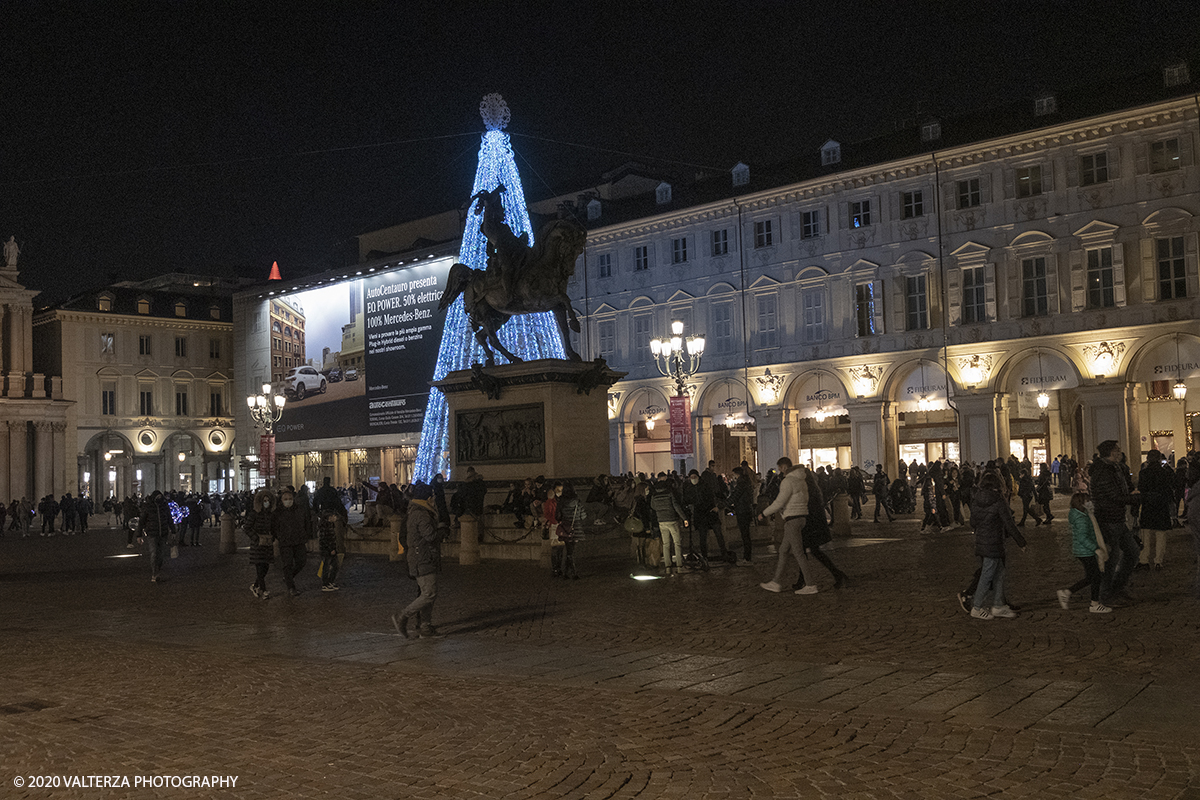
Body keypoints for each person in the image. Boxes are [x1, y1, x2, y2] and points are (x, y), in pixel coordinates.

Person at [969, 471, 1026, 619]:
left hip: (982, 541)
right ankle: (977, 607)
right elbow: (1009, 523)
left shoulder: (976, 500)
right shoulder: (999, 500)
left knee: (999, 572)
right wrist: (1021, 542)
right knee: (987, 574)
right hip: (993, 542)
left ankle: (998, 605)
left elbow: (972, 523)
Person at [392, 483, 447, 638]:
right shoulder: (421, 513)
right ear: (427, 497)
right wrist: (441, 530)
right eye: (432, 496)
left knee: (428, 593)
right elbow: (430, 535)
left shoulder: (417, 510)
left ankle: (425, 626)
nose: (434, 499)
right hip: (422, 557)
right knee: (429, 593)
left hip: (424, 556)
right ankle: (402, 616)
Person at [1089, 440, 1140, 606]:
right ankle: (1105, 594)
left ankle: (1117, 587)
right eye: (1117, 450)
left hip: (1118, 518)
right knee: (1111, 558)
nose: (1120, 453)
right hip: (1108, 519)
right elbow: (1113, 496)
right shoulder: (1103, 471)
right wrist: (1136, 499)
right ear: (1111, 452)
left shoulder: (1114, 468)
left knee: (1132, 551)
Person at [758, 457, 817, 595]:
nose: (779, 471)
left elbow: (779, 501)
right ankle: (775, 582)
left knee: (798, 553)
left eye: (779, 468)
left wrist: (764, 513)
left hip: (792, 519)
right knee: (784, 550)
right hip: (801, 517)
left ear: (784, 467)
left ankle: (810, 584)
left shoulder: (788, 481)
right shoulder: (802, 480)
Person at [794, 467, 848, 590]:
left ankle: (835, 575)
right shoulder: (812, 488)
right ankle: (836, 574)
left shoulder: (807, 490)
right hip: (814, 526)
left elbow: (808, 509)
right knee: (812, 553)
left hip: (811, 526)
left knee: (808, 553)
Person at [1057, 492, 1112, 613]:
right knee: (1095, 576)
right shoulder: (1081, 518)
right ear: (1081, 503)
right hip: (1085, 552)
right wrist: (1096, 549)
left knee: (1092, 577)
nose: (1090, 502)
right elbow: (1083, 538)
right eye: (1088, 501)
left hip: (1084, 551)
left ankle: (1067, 593)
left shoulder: (1083, 515)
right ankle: (1094, 603)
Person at [682, 468, 733, 563]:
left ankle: (724, 553)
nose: (693, 479)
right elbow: (688, 500)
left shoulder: (705, 486)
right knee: (702, 537)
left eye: (694, 477)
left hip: (710, 512)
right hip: (700, 515)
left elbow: (711, 498)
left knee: (718, 534)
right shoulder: (689, 488)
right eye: (691, 477)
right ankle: (704, 556)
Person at [1136, 450, 1173, 571]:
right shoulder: (1165, 473)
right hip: (1161, 505)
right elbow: (1169, 489)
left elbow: (1141, 489)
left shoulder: (1144, 473)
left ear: (1148, 459)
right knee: (1161, 534)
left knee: (1145, 533)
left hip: (1148, 505)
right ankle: (1158, 561)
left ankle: (1144, 560)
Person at [274, 487, 312, 596]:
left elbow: (306, 522)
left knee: (301, 561)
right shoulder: (278, 512)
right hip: (285, 542)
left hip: (299, 540)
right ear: (281, 500)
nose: (288, 500)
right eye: (285, 498)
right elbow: (274, 527)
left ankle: (288, 577)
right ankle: (291, 587)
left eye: (290, 498)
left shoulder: (299, 510)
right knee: (287, 564)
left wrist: (305, 535)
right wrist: (279, 536)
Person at [135, 490, 175, 583]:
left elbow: (169, 519)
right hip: (152, 534)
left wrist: (173, 531)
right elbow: (141, 521)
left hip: (163, 533)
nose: (159, 499)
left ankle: (158, 569)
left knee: (161, 554)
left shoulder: (164, 506)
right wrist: (139, 534)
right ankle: (154, 573)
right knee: (154, 553)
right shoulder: (148, 507)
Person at [650, 476, 687, 575]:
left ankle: (668, 567)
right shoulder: (669, 494)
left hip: (661, 521)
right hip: (672, 520)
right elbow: (676, 506)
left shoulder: (654, 496)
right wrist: (684, 518)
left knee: (666, 545)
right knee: (677, 543)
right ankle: (679, 566)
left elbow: (652, 506)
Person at [244, 488, 277, 599]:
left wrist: (272, 537)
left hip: (267, 544)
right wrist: (256, 538)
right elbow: (246, 527)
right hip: (257, 545)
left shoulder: (271, 515)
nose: (266, 502)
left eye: (268, 500)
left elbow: (274, 528)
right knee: (259, 567)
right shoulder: (254, 513)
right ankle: (263, 590)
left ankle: (255, 586)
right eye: (264, 500)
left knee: (266, 567)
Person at [728, 466, 756, 562]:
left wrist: (724, 504)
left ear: (737, 474)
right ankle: (747, 556)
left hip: (743, 511)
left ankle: (747, 557)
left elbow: (735, 496)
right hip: (746, 510)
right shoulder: (746, 482)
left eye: (734, 474)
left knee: (745, 535)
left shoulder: (741, 484)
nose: (733, 476)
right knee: (746, 534)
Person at [318, 511, 340, 591]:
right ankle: (325, 584)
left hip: (331, 549)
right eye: (334, 516)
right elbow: (325, 540)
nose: (335, 518)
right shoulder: (325, 527)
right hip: (327, 550)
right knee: (326, 567)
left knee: (335, 566)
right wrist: (331, 549)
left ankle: (330, 581)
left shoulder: (330, 525)